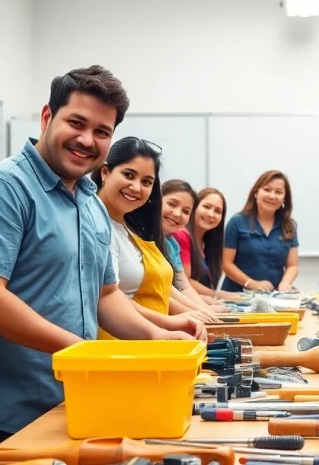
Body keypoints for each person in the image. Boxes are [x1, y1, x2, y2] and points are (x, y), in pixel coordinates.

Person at [0, 66, 198, 447]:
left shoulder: (89, 200)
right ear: (47, 117)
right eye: (77, 123)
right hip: (8, 416)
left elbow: (105, 295)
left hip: (76, 404)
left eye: (102, 132)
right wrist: (82, 352)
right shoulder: (2, 189)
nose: (88, 139)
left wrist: (156, 336)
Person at [91, 139, 218, 340]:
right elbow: (106, 297)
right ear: (105, 173)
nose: (136, 187)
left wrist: (199, 313)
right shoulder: (95, 224)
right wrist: (167, 324)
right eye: (128, 175)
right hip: (116, 345)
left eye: (146, 182)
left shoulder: (129, 229)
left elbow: (165, 289)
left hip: (142, 342)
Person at [159, 179, 231, 314]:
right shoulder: (180, 234)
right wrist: (204, 308)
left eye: (186, 211)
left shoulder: (171, 244)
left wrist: (206, 309)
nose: (177, 214)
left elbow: (182, 285)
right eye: (172, 204)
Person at [221, 170, 299, 292]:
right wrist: (251, 283)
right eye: (267, 190)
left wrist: (285, 282)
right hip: (237, 297)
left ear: (284, 199)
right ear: (256, 192)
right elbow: (226, 264)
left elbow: (292, 265)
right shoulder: (236, 222)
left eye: (278, 192)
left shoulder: (289, 226)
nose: (272, 196)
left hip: (272, 296)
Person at [172, 187, 243, 302]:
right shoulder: (182, 234)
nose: (211, 214)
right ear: (194, 207)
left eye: (217, 211)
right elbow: (184, 281)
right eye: (206, 207)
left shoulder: (209, 245)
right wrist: (218, 294)